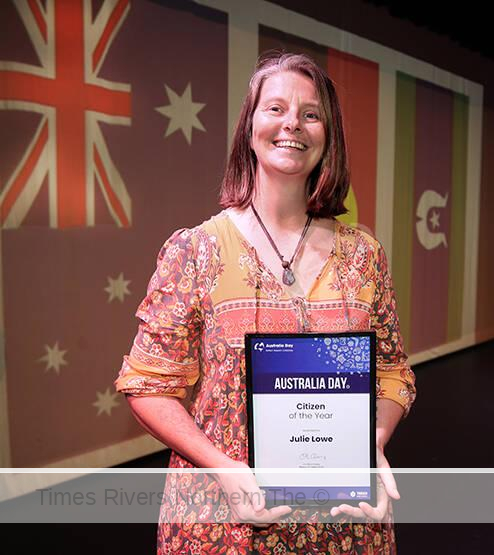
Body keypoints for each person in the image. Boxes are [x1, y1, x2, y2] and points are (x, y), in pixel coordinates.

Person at [115, 51, 416, 554]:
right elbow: (147, 384)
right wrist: (224, 469)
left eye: (311, 113)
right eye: (274, 108)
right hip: (222, 523)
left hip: (343, 524)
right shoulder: (197, 250)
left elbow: (392, 371)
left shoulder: (365, 255)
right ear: (249, 127)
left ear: (328, 134)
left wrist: (372, 443)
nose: (292, 124)